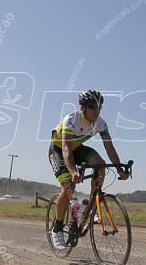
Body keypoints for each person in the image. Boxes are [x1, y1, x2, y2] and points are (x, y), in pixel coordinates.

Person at [48, 90, 128, 249]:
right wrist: (73, 172)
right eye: (92, 106)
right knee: (69, 186)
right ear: (82, 107)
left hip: (78, 149)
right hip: (59, 150)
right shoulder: (71, 120)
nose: (96, 110)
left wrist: (119, 168)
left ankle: (91, 205)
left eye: (99, 107)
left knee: (101, 165)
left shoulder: (101, 123)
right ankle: (56, 229)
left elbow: (109, 148)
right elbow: (66, 150)